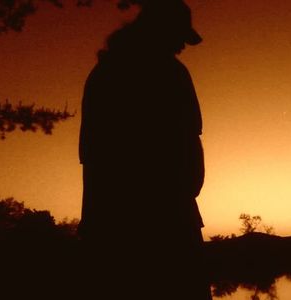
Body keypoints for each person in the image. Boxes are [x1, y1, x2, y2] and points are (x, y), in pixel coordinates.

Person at [78, 1, 211, 298]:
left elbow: (93, 158)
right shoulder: (171, 73)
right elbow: (187, 143)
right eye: (178, 36)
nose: (181, 46)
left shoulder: (103, 74)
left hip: (106, 228)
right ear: (160, 30)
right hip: (169, 226)